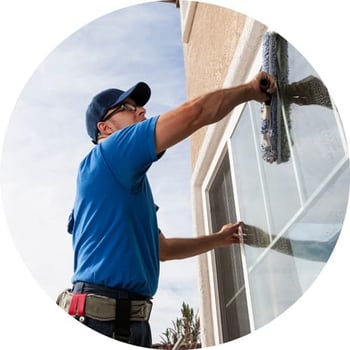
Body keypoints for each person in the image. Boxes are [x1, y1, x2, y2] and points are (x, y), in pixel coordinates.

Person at [56, 71, 276, 347]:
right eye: (127, 107)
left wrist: (218, 239)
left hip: (127, 322)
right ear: (105, 128)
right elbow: (195, 113)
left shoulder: (124, 185)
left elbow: (163, 249)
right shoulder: (110, 153)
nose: (141, 110)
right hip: (103, 322)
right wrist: (250, 90)